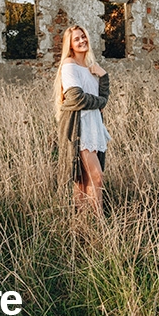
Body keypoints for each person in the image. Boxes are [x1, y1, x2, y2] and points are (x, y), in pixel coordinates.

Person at [53, 25, 111, 217]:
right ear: (69, 44)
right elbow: (76, 97)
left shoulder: (90, 66)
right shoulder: (69, 65)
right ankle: (100, 222)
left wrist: (103, 76)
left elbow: (102, 98)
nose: (82, 41)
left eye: (83, 36)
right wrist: (100, 102)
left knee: (85, 178)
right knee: (96, 176)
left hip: (94, 124)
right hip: (80, 125)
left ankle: (83, 221)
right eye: (76, 39)